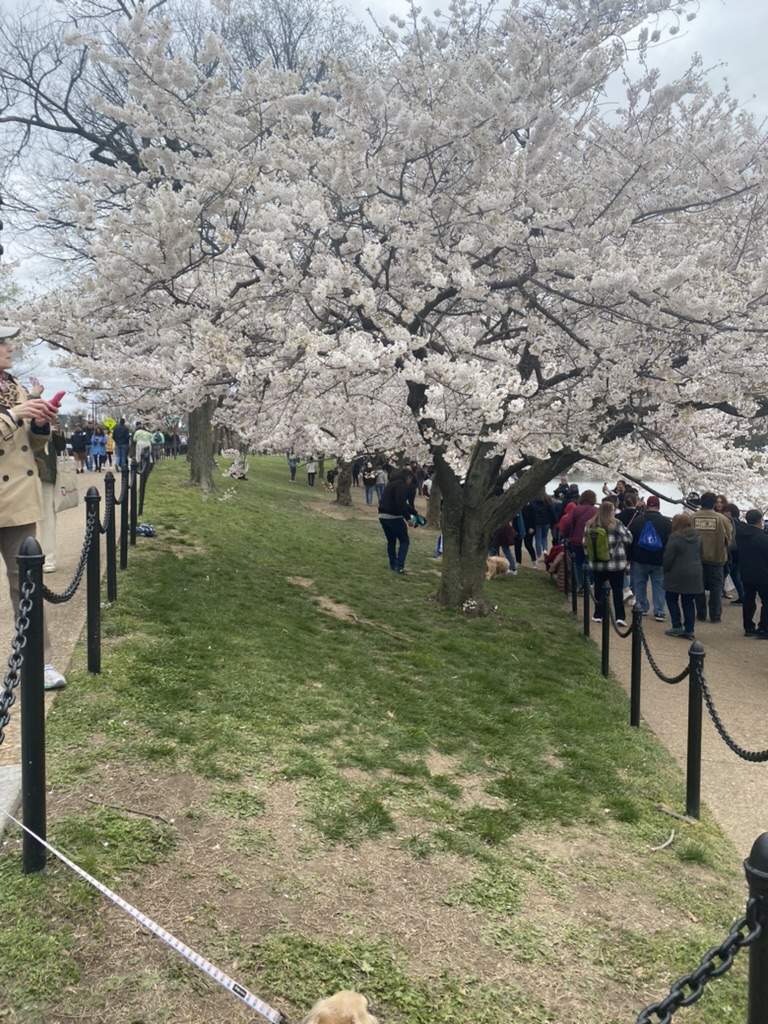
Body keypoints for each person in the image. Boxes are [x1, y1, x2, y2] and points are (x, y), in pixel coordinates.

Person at [0, 324, 67, 689]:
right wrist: (13, 414)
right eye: (2, 342)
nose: (10, 348)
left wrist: (40, 425)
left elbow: (31, 446)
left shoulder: (15, 387)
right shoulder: (15, 397)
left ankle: (39, 663)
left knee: (24, 585)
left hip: (16, 500)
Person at [584, 499, 633, 624]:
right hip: (615, 564)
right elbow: (629, 539)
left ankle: (598, 614)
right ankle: (619, 617)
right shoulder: (616, 524)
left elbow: (584, 543)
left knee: (598, 589)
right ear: (611, 512)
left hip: (597, 563)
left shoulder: (590, 524)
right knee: (617, 590)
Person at [629, 495, 671, 621]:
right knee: (659, 585)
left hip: (640, 558)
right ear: (659, 506)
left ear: (647, 506)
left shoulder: (638, 521)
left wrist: (629, 557)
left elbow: (630, 540)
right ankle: (659, 611)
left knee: (640, 583)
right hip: (659, 559)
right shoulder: (666, 522)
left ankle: (642, 607)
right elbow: (670, 541)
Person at [692, 491, 733, 623]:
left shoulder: (692, 518)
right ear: (714, 503)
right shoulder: (722, 520)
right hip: (717, 558)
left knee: (698, 587)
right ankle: (715, 615)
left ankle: (701, 614)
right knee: (716, 588)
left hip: (697, 558)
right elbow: (729, 540)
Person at [663, 513, 704, 640]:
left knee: (671, 598)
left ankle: (677, 625)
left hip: (677, 572)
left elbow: (668, 558)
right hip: (695, 572)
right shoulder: (698, 537)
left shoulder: (674, 538)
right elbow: (701, 554)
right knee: (688, 602)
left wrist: (666, 569)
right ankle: (689, 629)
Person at [734, 510, 768, 638]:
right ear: (759, 521)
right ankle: (764, 628)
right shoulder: (762, 538)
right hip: (763, 573)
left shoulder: (741, 535)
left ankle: (748, 626)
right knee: (766, 602)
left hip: (746, 571)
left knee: (749, 599)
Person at [377, 467, 417, 574]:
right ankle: (399, 566)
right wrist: (408, 518)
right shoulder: (401, 485)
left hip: (382, 515)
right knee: (404, 540)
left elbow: (402, 503)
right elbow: (400, 502)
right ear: (408, 478)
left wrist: (414, 512)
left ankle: (393, 564)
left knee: (391, 541)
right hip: (393, 516)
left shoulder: (391, 484)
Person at [561, 489, 598, 593]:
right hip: (591, 542)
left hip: (576, 541)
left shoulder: (576, 510)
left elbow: (568, 523)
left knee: (578, 563)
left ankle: (580, 584)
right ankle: (590, 584)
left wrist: (567, 535)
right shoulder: (596, 511)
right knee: (590, 563)